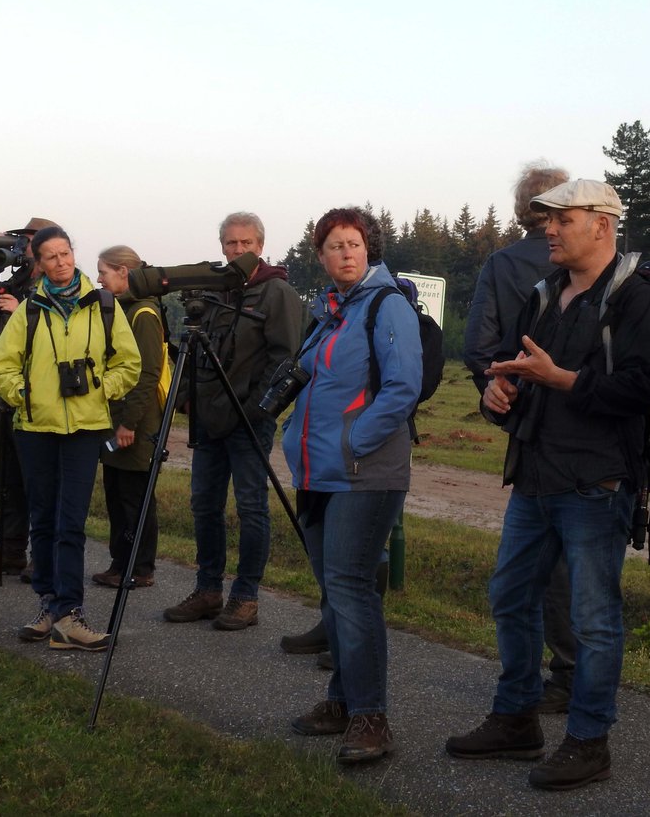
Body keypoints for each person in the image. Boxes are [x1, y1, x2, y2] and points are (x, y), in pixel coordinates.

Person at [445, 179, 650, 791]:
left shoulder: (637, 299)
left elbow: (639, 391)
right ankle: (517, 717)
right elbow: (522, 376)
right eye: (546, 219)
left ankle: (589, 740)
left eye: (561, 219)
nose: (548, 228)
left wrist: (562, 378)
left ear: (602, 224)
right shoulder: (544, 294)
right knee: (509, 598)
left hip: (596, 482)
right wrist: (500, 396)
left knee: (594, 619)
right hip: (536, 474)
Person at [282, 207, 422, 764]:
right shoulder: (329, 313)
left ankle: (371, 717)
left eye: (354, 244)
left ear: (370, 250)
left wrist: (352, 442)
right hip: (319, 474)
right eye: (334, 246)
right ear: (320, 256)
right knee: (335, 591)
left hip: (365, 474)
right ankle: (341, 701)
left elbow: (402, 386)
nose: (345, 253)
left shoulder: (387, 306)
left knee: (351, 588)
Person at [0, 226, 140, 651]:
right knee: (45, 520)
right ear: (40, 262)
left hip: (85, 430)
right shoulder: (30, 310)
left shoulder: (104, 304)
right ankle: (49, 606)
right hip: (35, 429)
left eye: (66, 253)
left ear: (74, 254)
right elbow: (1, 366)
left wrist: (100, 391)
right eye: (51, 256)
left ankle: (69, 615)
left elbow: (129, 363)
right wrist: (26, 397)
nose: (61, 261)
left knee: (70, 523)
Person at [462, 160, 577, 714]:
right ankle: (575, 678)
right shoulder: (604, 268)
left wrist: (502, 394)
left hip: (530, 426)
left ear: (520, 212)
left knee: (525, 571)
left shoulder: (503, 265)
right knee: (578, 567)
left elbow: (479, 346)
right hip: (591, 430)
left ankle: (529, 689)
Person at [161, 212, 302, 630]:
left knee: (251, 508)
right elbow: (191, 349)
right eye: (230, 243)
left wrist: (257, 410)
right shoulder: (213, 291)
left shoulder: (279, 293)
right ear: (222, 245)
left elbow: (286, 362)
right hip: (207, 419)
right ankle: (207, 590)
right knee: (204, 506)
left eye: (245, 243)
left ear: (260, 245)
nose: (237, 250)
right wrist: (186, 399)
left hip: (249, 421)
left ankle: (245, 597)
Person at [0, 217, 58, 580]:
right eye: (21, 241)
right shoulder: (18, 279)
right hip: (3, 391)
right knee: (5, 478)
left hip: (37, 394)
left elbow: (59, 326)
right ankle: (9, 550)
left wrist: (19, 308)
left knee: (38, 480)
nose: (25, 246)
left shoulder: (61, 283)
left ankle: (44, 555)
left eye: (31, 240)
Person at [91, 245, 166, 588]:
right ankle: (120, 562)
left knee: (135, 497)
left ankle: (141, 567)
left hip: (136, 421)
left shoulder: (144, 314)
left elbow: (147, 374)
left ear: (124, 272)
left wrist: (129, 424)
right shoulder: (122, 309)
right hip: (117, 417)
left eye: (104, 272)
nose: (99, 279)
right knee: (116, 493)